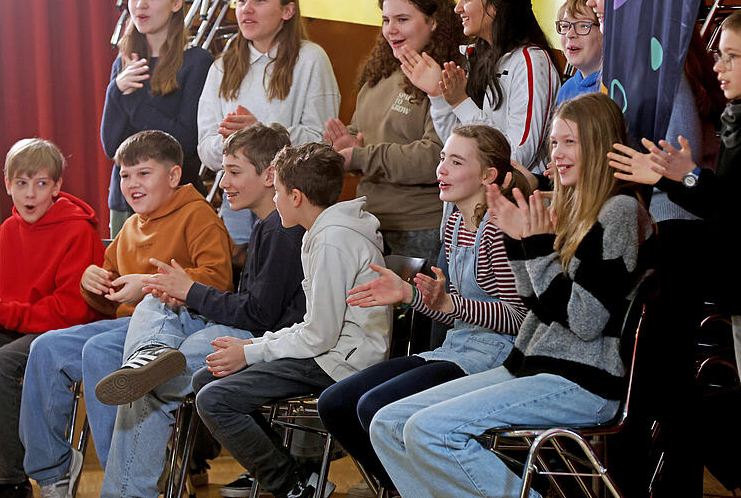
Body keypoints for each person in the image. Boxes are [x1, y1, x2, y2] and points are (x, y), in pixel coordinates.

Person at [368, 93, 656, 498]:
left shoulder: (620, 212)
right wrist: (522, 244)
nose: (557, 153)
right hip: (534, 366)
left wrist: (534, 246)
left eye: (570, 142)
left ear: (600, 144)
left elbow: (585, 321)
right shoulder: (572, 209)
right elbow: (539, 306)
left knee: (430, 431)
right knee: (388, 424)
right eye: (554, 143)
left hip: (582, 380)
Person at [609, 3, 741, 498]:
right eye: (717, 55)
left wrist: (686, 177)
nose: (718, 66)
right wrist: (676, 179)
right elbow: (724, 205)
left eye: (731, 56)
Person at [92, 123, 306, 498]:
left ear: (270, 175)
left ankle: (127, 488)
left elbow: (260, 316)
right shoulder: (267, 225)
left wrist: (189, 290)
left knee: (147, 386)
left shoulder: (281, 229)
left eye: (234, 172)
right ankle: (147, 357)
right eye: (224, 173)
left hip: (268, 342)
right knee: (155, 300)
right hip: (248, 329)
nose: (223, 183)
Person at [317, 125, 531, 491]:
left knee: (374, 407)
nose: (441, 169)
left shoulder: (498, 228)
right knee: (335, 404)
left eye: (456, 161)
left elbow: (520, 321)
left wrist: (448, 302)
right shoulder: (453, 220)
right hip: (456, 349)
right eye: (442, 158)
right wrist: (410, 296)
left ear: (488, 175)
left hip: (497, 358)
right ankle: (408, 487)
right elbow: (452, 311)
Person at [19, 130, 231, 498]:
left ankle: (129, 483)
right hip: (127, 323)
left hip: (176, 324)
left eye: (143, 173)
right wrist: (93, 284)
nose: (132, 184)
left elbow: (218, 283)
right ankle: (52, 472)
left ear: (174, 176)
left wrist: (147, 283)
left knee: (98, 352)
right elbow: (111, 299)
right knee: (46, 348)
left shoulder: (199, 216)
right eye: (125, 175)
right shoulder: (130, 225)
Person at [192, 143, 391, 498]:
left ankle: (294, 487)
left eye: (278, 191)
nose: (275, 199)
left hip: (341, 362)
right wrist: (252, 346)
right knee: (205, 378)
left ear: (296, 196)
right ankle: (301, 478)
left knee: (214, 399)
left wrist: (251, 352)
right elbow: (317, 329)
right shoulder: (320, 232)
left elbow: (320, 336)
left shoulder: (333, 241)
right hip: (326, 350)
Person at [0, 139, 103, 498]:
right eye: (22, 184)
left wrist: (1, 312)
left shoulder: (77, 231)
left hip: (58, 333)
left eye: (41, 184)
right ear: (7, 185)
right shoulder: (8, 231)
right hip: (11, 329)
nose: (30, 194)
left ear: (57, 187)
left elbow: (70, 313)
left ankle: (11, 481)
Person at [323, 0, 463, 267]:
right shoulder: (381, 72)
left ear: (434, 22)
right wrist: (347, 144)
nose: (391, 30)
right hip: (368, 221)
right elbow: (361, 133)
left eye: (402, 19)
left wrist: (361, 156)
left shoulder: (447, 77)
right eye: (386, 20)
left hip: (418, 228)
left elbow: (434, 159)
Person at [197, 0, 339, 251]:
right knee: (241, 281)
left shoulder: (310, 59)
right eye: (241, 1)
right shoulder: (222, 66)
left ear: (288, 10)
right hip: (235, 200)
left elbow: (322, 143)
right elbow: (205, 148)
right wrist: (232, 144)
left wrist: (259, 133)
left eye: (259, 0)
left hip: (293, 199)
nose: (246, 9)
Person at [399, 0, 560, 170]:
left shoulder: (530, 61)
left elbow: (517, 157)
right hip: (474, 195)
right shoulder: (475, 55)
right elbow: (456, 145)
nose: (458, 8)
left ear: (495, 5)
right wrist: (438, 96)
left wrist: (461, 103)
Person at [101, 0, 213, 237]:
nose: (140, 5)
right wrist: (114, 90)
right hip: (126, 201)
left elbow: (185, 141)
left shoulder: (196, 61)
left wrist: (131, 99)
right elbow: (112, 147)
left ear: (176, 3)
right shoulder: (124, 64)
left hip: (175, 199)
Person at [554, 0, 602, 104]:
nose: (570, 34)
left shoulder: (613, 89)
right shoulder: (566, 89)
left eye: (584, 26)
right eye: (565, 26)